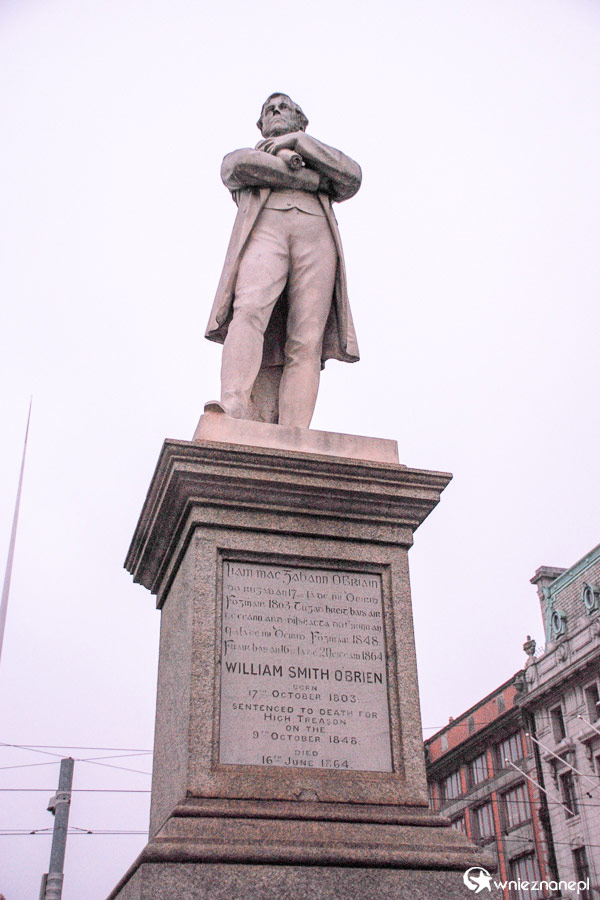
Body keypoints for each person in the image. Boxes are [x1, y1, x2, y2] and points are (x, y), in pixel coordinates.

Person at [205, 93, 361, 427]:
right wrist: (313, 179)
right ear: (260, 126)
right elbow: (237, 168)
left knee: (306, 339)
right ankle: (232, 406)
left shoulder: (313, 148)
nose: (275, 112)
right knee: (248, 310)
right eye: (268, 110)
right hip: (267, 231)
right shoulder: (248, 155)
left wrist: (299, 143)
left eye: (284, 107)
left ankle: (295, 430)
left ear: (301, 123)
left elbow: (351, 176)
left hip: (316, 238)